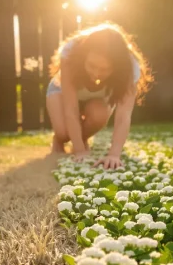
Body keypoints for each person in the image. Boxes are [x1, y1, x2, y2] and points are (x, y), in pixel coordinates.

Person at [46, 22, 152, 170]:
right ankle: (60, 139)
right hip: (61, 91)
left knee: (99, 115)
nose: (96, 73)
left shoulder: (130, 66)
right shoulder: (71, 51)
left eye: (104, 69)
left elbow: (123, 116)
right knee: (63, 133)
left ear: (117, 67)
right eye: (91, 65)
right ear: (84, 57)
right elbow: (71, 109)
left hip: (98, 98)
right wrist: (80, 151)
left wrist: (114, 155)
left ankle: (81, 138)